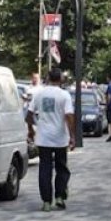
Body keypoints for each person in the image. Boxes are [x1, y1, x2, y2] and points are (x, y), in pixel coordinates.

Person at [32, 68, 75, 212]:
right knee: (61, 168)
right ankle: (60, 197)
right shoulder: (64, 95)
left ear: (48, 78)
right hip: (59, 138)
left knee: (45, 169)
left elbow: (29, 114)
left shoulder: (39, 94)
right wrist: (72, 136)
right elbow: (69, 116)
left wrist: (31, 129)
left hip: (43, 138)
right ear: (61, 79)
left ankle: (46, 201)